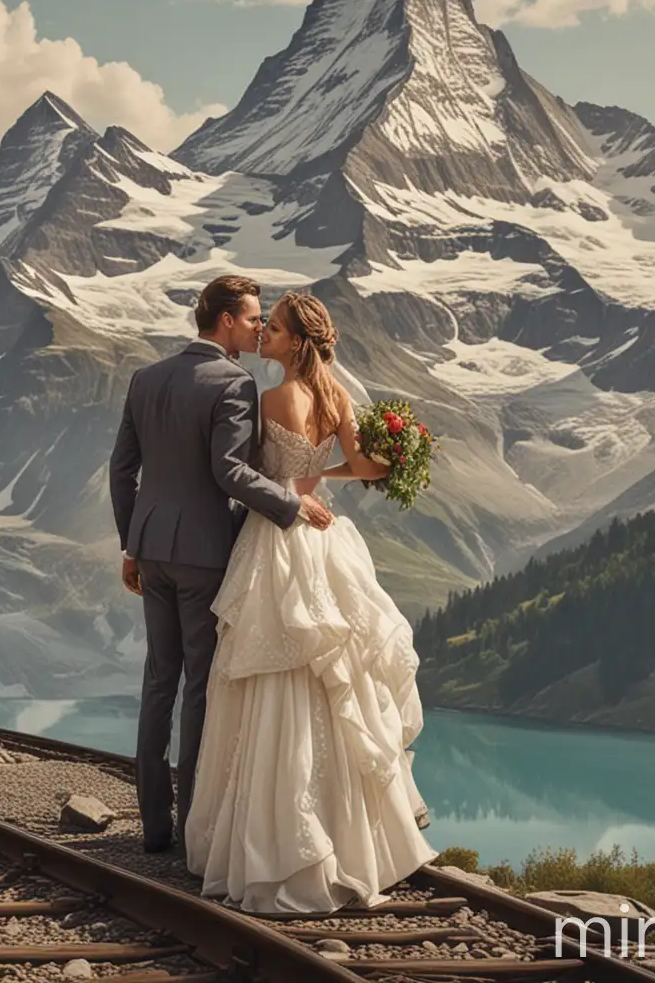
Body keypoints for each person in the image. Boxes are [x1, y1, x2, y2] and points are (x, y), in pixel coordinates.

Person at [183, 290, 434, 914]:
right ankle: (350, 843)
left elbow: (240, 471)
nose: (263, 331)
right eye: (261, 324)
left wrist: (292, 488)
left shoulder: (267, 398)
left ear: (296, 341)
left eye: (274, 328)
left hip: (277, 535)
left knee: (272, 674)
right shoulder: (337, 397)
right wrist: (323, 478)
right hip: (327, 534)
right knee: (337, 678)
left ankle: (275, 843)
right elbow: (368, 468)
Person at [109, 274, 334, 855]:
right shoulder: (233, 384)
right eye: (255, 318)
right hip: (206, 556)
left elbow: (121, 472)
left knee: (158, 683)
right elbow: (229, 472)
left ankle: (153, 828)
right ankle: (192, 834)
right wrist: (292, 504)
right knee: (201, 690)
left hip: (152, 550)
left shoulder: (146, 378)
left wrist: (132, 544)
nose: (261, 327)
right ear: (227, 320)